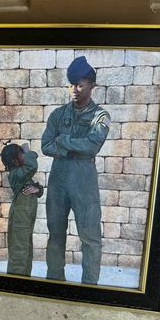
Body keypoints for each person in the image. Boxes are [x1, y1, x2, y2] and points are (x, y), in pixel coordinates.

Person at [41, 56, 111, 284]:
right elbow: (45, 145)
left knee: (90, 237)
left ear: (92, 85)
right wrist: (72, 149)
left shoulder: (100, 116)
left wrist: (64, 140)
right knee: (55, 235)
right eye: (71, 84)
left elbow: (93, 145)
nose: (74, 90)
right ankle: (54, 282)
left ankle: (89, 287)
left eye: (80, 85)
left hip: (84, 183)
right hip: (58, 182)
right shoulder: (58, 115)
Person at [0, 142, 44, 276]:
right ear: (15, 160)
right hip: (20, 216)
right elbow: (32, 165)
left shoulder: (22, 174)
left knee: (26, 250)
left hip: (25, 217)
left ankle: (24, 280)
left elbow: (35, 189)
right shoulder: (15, 174)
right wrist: (28, 151)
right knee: (19, 251)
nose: (25, 157)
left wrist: (37, 189)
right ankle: (15, 285)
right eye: (22, 156)